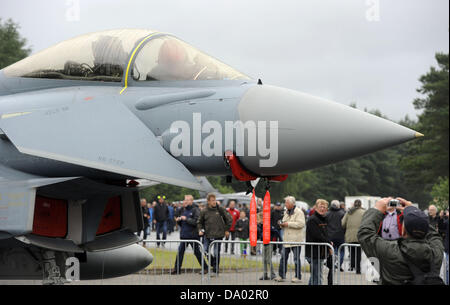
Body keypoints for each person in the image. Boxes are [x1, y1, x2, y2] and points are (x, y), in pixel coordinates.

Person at [358, 197, 444, 285]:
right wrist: (415, 213)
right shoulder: (436, 253)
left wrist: (376, 210)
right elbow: (434, 236)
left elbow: (365, 235)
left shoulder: (389, 250)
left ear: (403, 230)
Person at [197, 193, 233, 275]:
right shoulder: (204, 211)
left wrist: (227, 230)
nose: (214, 202)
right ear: (208, 201)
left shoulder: (220, 209)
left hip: (218, 234)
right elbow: (199, 222)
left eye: (215, 200)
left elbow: (229, 219)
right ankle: (213, 263)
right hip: (207, 234)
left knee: (216, 252)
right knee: (205, 250)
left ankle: (215, 270)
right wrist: (200, 229)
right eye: (212, 200)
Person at [274, 196, 305, 283]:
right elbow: (284, 221)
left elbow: (301, 224)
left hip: (296, 240)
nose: (285, 204)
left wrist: (288, 224)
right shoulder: (286, 212)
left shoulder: (299, 212)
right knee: (283, 258)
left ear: (292, 203)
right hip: (287, 239)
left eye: (287, 203)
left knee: (296, 259)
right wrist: (281, 223)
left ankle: (298, 276)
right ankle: (281, 275)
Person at [171, 195, 203, 275]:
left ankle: (205, 267)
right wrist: (179, 221)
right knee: (180, 252)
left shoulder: (196, 210)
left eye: (187, 200)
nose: (185, 201)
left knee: (197, 253)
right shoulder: (183, 210)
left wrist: (186, 219)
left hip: (193, 236)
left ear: (191, 201)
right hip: (184, 235)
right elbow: (183, 223)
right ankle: (177, 269)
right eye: (185, 200)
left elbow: (196, 222)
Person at [305, 199, 331, 285]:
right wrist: (328, 242)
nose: (322, 209)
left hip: (321, 252)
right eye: (320, 207)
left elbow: (326, 233)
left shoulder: (324, 219)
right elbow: (317, 235)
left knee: (315, 276)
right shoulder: (312, 219)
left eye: (324, 207)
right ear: (316, 208)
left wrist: (329, 242)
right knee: (317, 276)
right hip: (314, 252)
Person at [342, 199, 365, 274]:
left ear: (354, 204)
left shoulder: (349, 212)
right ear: (361, 205)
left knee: (351, 252)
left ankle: (352, 267)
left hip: (350, 235)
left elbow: (343, 223)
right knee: (358, 253)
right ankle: (358, 269)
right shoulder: (363, 212)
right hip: (360, 235)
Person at [327, 200, 345, 271]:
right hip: (340, 235)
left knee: (332, 250)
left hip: (330, 235)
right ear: (338, 206)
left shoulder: (327, 214)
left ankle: (333, 264)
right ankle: (338, 264)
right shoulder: (342, 213)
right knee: (342, 250)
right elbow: (344, 225)